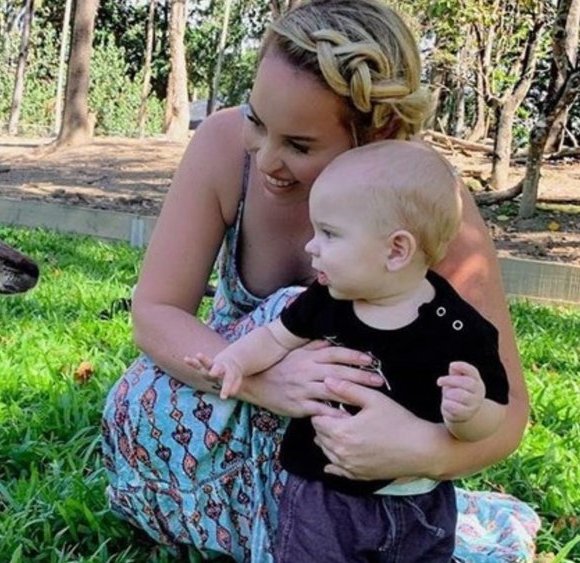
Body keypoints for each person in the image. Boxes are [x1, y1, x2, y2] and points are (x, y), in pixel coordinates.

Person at [100, 0, 537, 560]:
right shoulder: (223, 147)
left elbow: (508, 409)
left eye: (300, 146)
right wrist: (265, 382)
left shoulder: (424, 206)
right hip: (238, 402)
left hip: (355, 454)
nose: (267, 160)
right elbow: (156, 311)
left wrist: (421, 450)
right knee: (137, 398)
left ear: (378, 131)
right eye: (258, 120)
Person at [183, 140, 509, 561]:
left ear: (396, 250)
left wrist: (470, 413)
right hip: (323, 495)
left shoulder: (458, 328)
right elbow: (275, 337)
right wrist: (235, 361)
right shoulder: (327, 299)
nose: (310, 246)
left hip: (419, 502)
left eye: (330, 234)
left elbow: (495, 411)